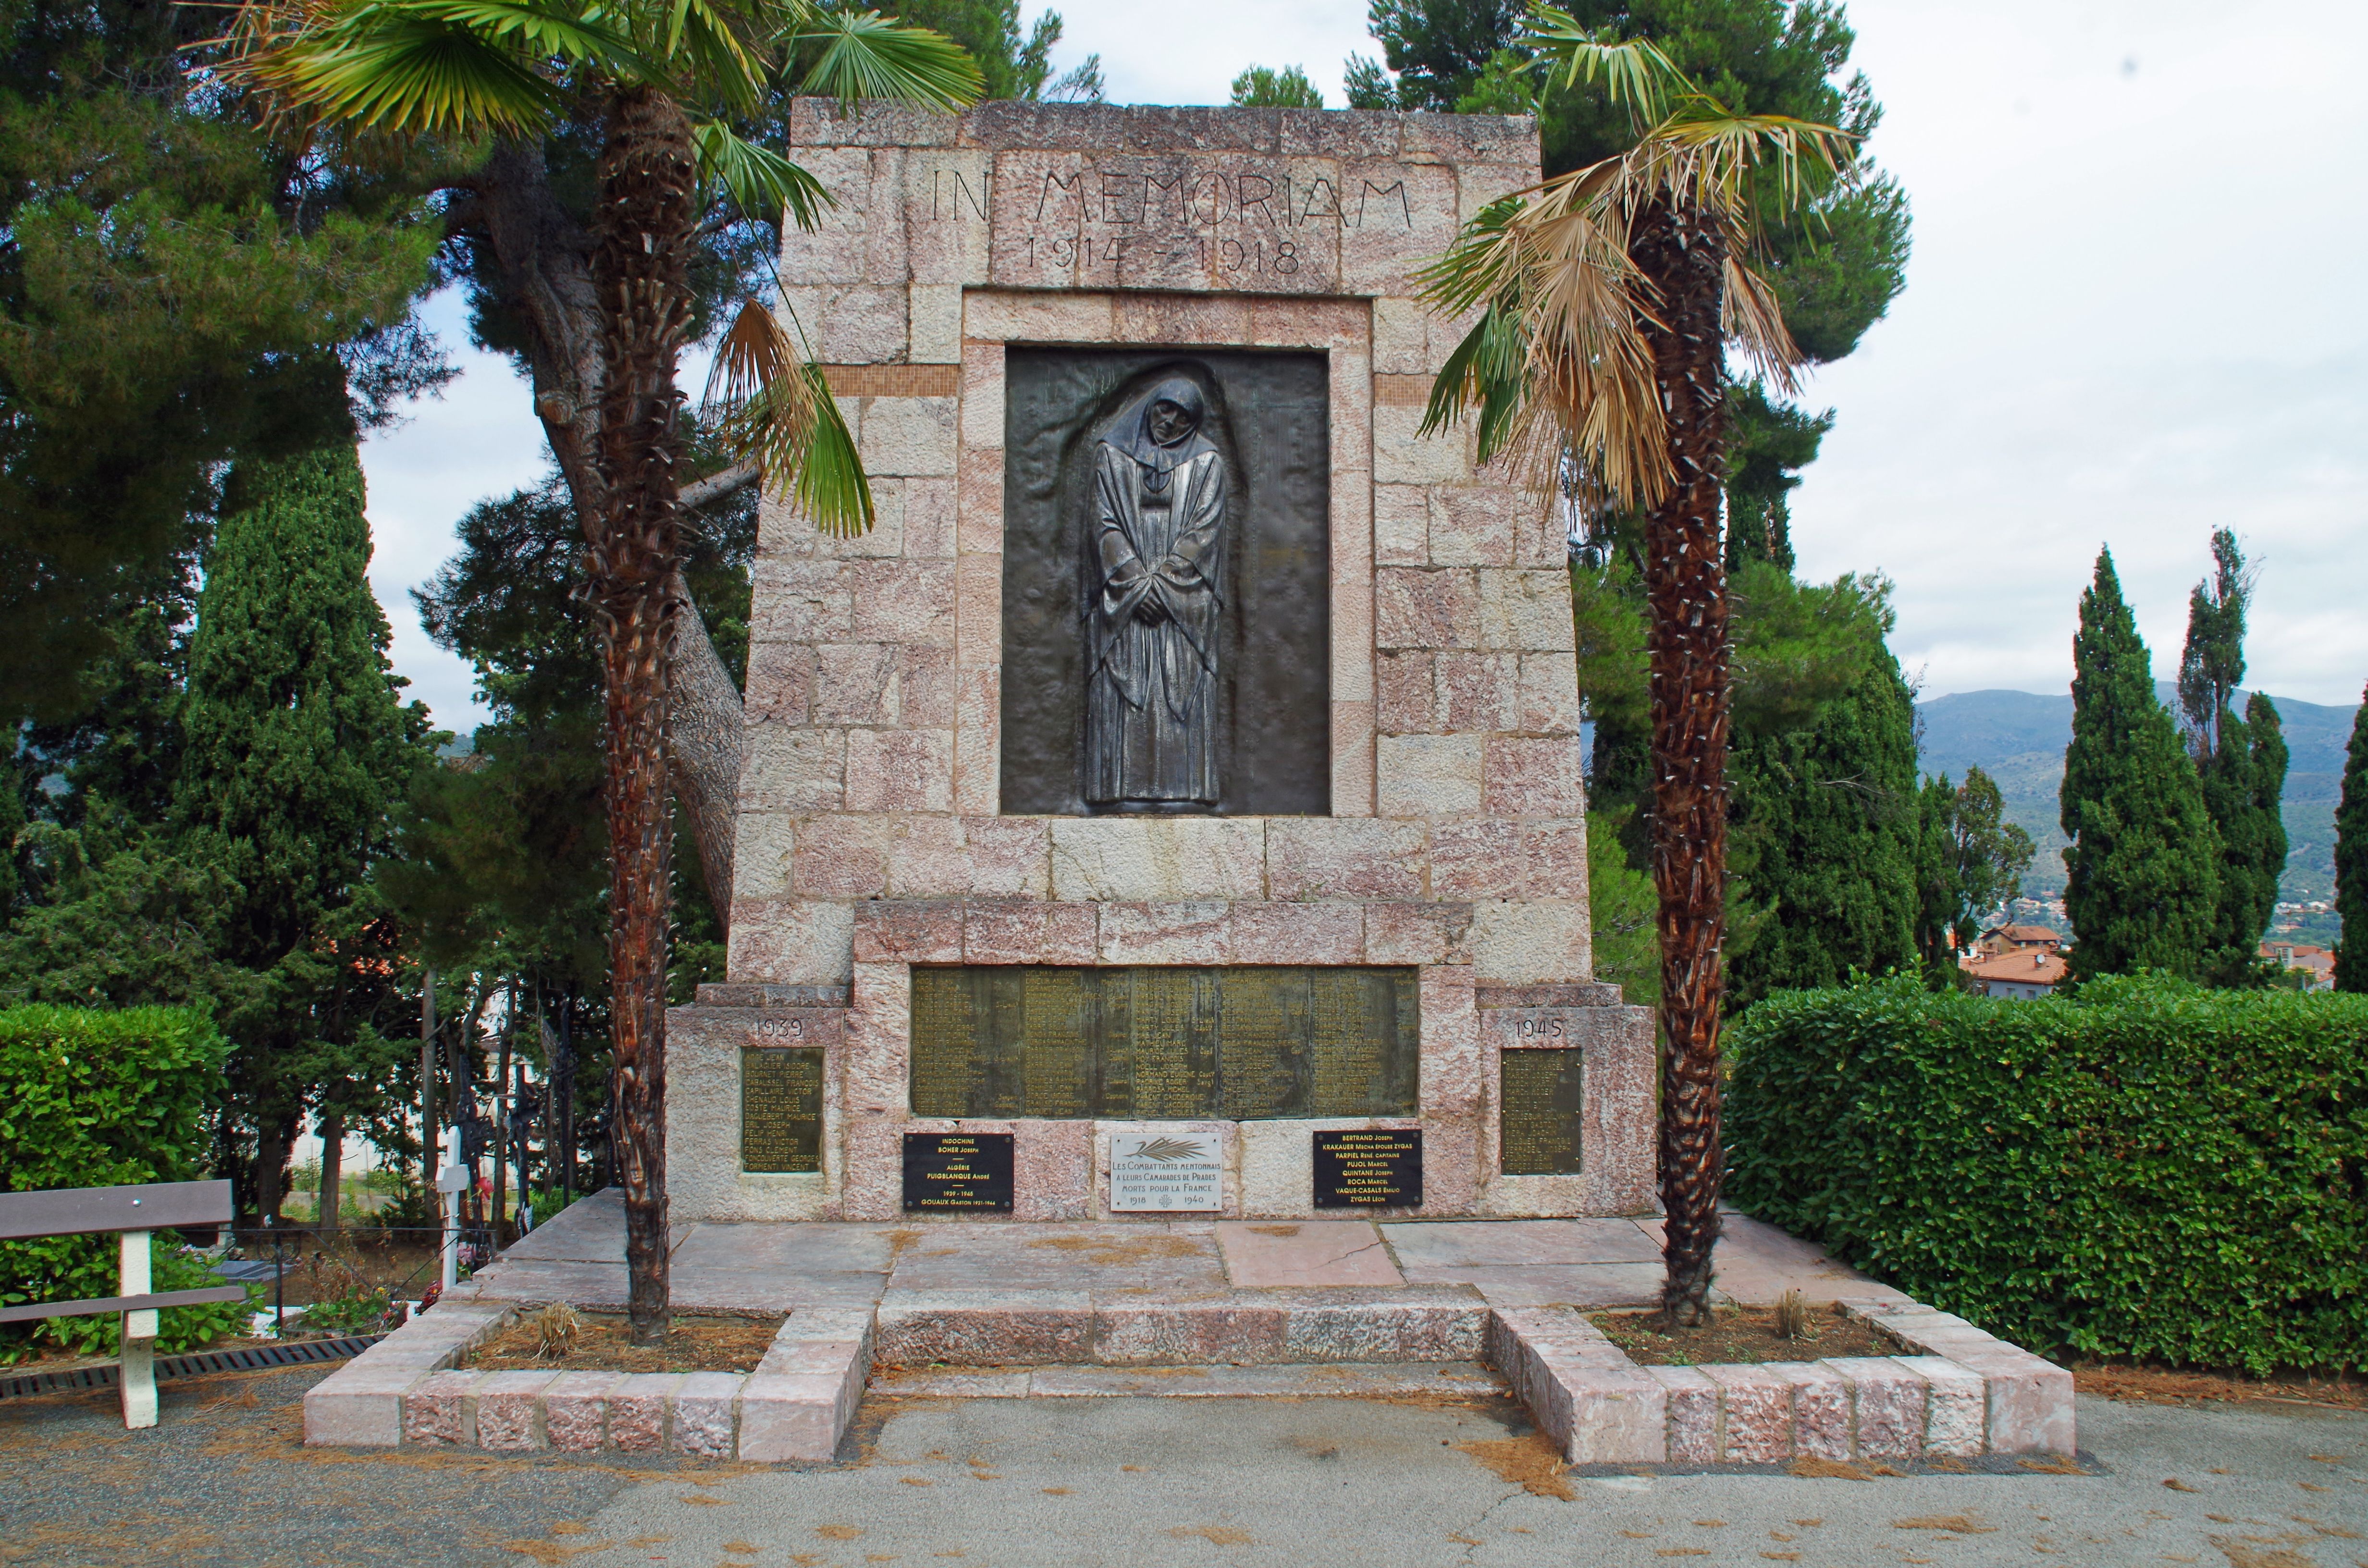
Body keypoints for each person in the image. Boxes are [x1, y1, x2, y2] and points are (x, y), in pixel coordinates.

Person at [1084, 376, 1228, 809]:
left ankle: (1185, 793)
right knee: (1125, 690)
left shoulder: (1207, 463)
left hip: (1183, 602)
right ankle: (1117, 791)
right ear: (1152, 406)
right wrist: (1133, 582)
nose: (1170, 421)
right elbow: (1102, 522)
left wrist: (1162, 587)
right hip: (1125, 595)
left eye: (1182, 416)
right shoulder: (1110, 455)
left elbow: (1206, 532)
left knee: (1178, 690)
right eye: (1165, 409)